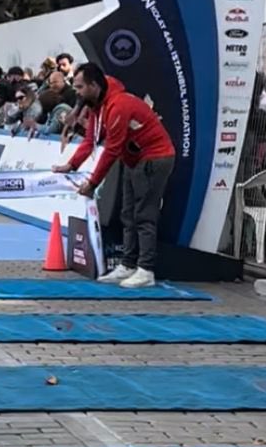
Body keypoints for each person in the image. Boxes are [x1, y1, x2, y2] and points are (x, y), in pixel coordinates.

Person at [53, 61, 175, 288]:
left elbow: (111, 150)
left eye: (80, 88)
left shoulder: (118, 105)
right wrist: (71, 165)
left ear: (93, 85)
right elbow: (91, 139)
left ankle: (146, 270)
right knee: (127, 213)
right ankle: (128, 264)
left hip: (154, 158)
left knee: (144, 215)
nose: (77, 93)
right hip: (134, 160)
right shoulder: (97, 104)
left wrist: (92, 182)